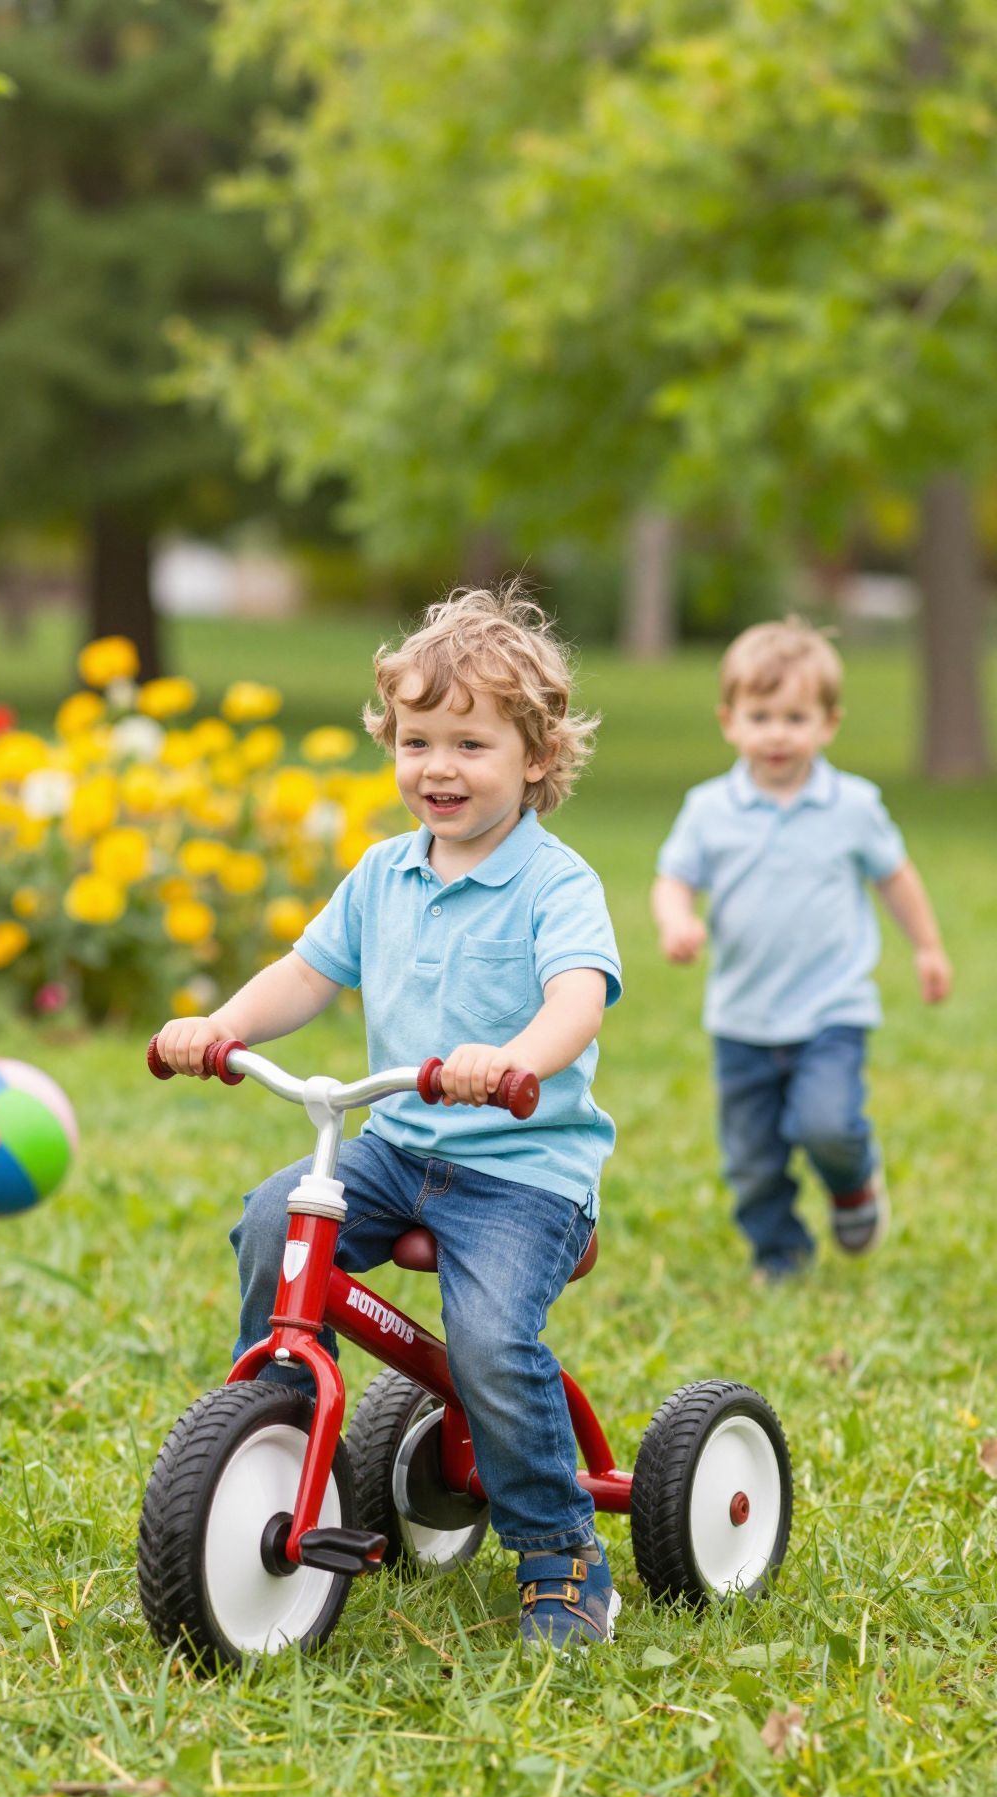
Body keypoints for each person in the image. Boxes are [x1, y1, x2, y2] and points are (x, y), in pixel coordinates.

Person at [153, 587, 623, 1650]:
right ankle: (275, 1431)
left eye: (471, 742)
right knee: (278, 1220)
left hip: (524, 1172)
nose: (438, 767)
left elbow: (577, 998)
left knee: (492, 1341)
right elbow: (307, 972)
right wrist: (219, 1024)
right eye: (417, 741)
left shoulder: (557, 883)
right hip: (400, 1149)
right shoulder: (383, 872)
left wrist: (512, 1060)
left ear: (537, 759)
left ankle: (559, 1546)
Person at [652, 617, 952, 1281]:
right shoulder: (709, 809)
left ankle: (852, 1184)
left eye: (796, 716)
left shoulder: (853, 805)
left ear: (828, 723)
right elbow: (674, 877)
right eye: (762, 716)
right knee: (751, 1159)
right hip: (742, 1018)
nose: (778, 733)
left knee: (828, 1124)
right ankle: (779, 1251)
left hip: (830, 1011)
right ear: (730, 721)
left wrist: (927, 947)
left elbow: (895, 876)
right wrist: (677, 920)